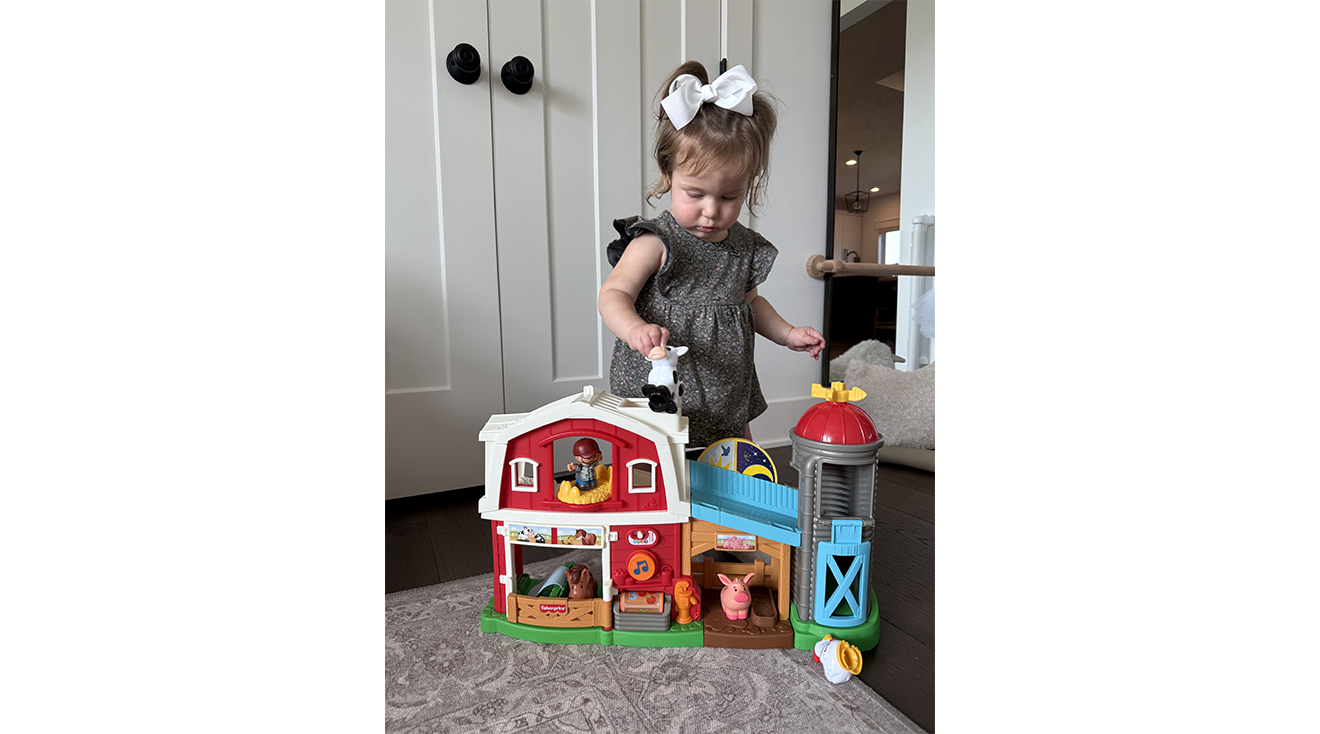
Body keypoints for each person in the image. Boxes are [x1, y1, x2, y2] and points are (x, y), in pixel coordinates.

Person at [599, 61, 824, 449]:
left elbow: (751, 304)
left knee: (735, 454)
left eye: (728, 196)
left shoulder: (743, 247)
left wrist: (787, 333)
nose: (710, 210)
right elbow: (613, 295)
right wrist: (635, 329)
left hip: (726, 390)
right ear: (668, 175)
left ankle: (736, 488)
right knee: (655, 459)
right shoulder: (656, 241)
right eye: (695, 193)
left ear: (748, 186)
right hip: (660, 382)